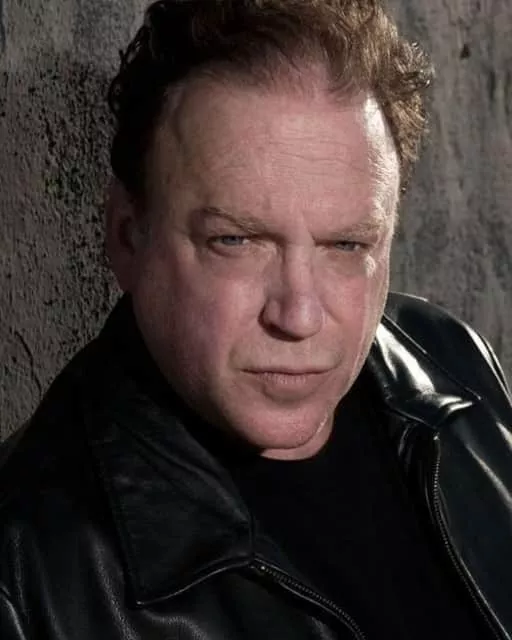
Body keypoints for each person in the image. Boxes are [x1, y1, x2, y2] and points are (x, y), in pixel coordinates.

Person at [1, 0, 511, 638]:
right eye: (236, 241)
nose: (298, 315)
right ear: (128, 236)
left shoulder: (449, 361)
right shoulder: (25, 578)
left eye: (346, 245)